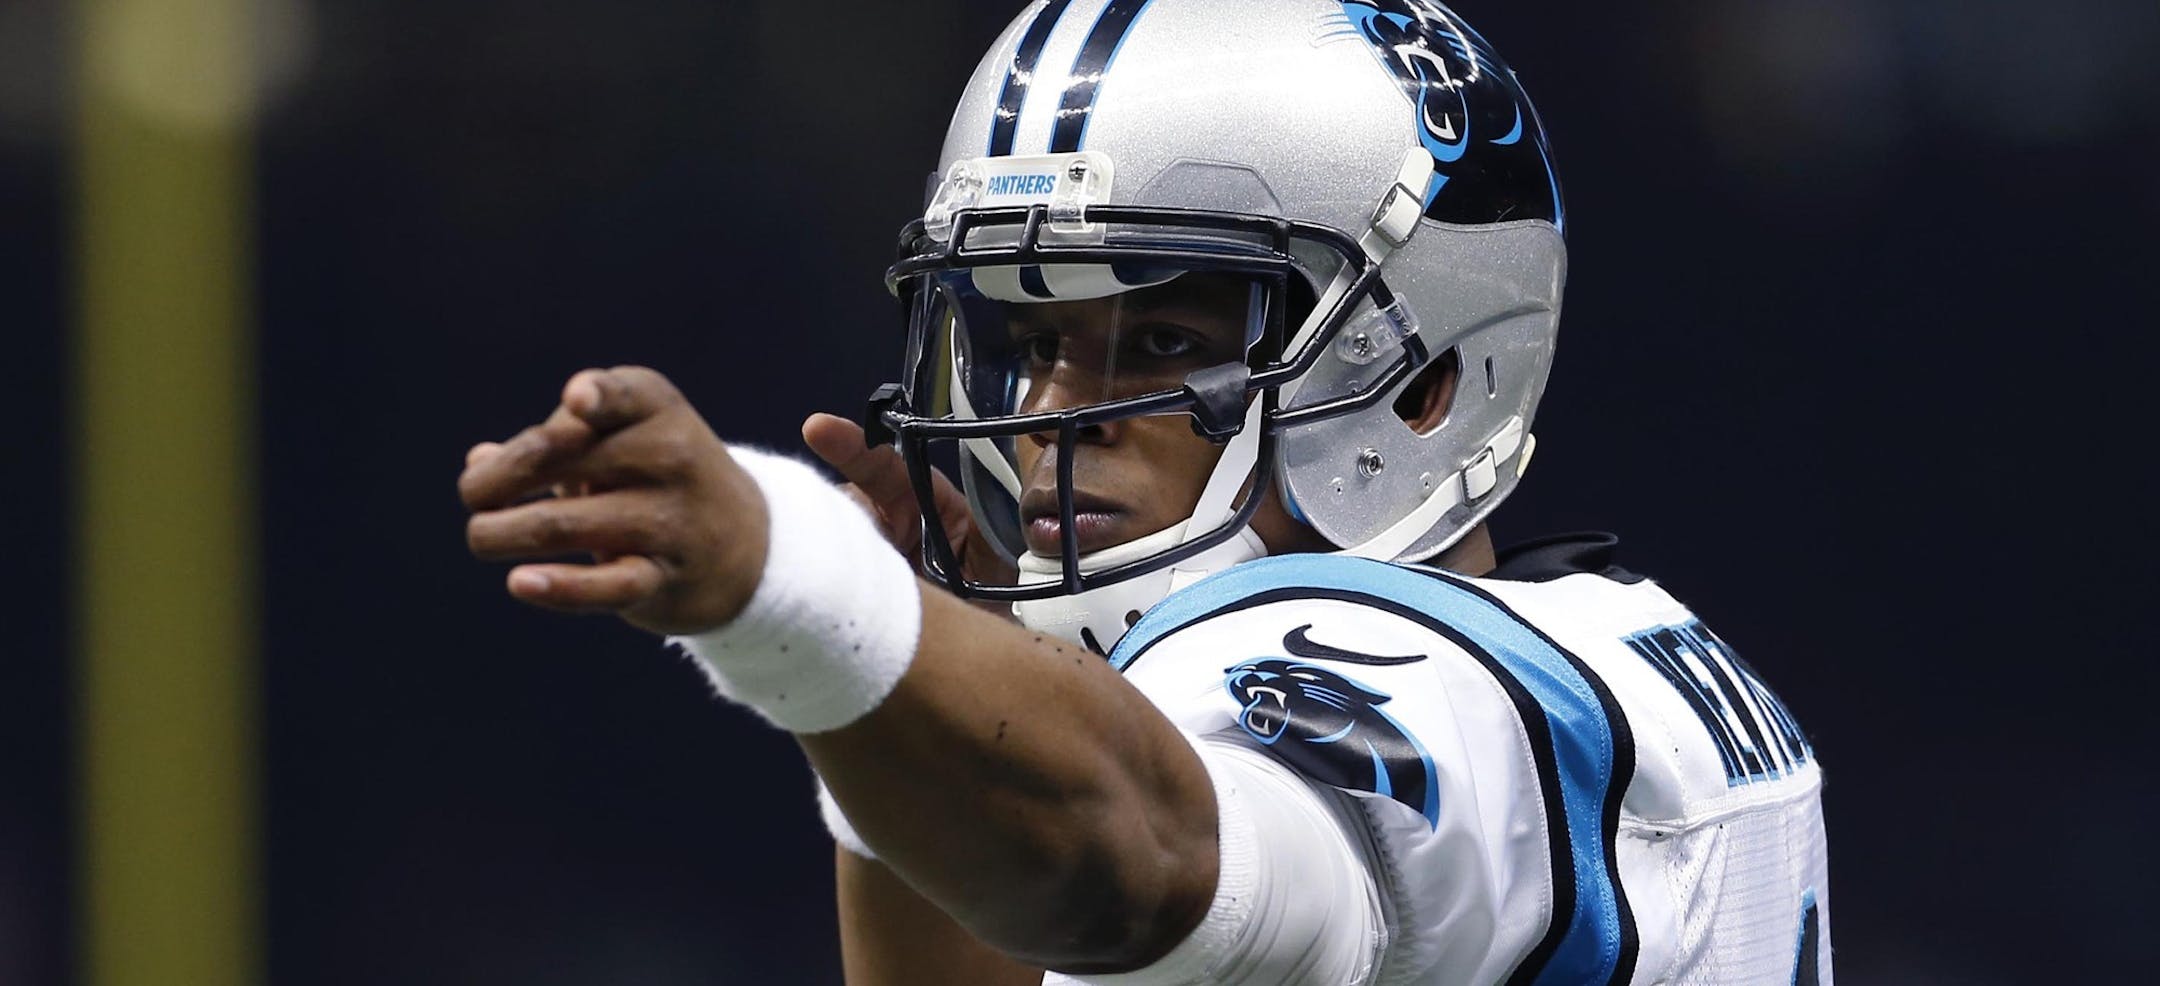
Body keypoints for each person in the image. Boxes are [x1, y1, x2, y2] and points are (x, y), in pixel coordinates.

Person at [459, 0, 1832, 982]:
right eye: (1041, 347)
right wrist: (919, 687)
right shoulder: (1619, 654)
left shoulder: (1426, 679)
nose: (1059, 414)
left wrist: (800, 588)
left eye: (1165, 343)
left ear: (1424, 382)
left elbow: (1142, 862)